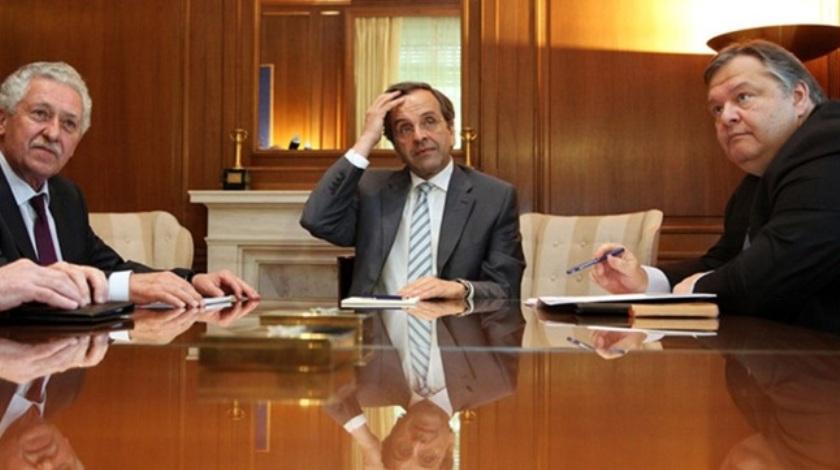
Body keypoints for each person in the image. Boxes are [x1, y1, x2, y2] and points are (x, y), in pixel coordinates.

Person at [590, 40, 840, 328]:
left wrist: (697, 289)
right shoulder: (756, 181)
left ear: (798, 97)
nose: (727, 117)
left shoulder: (829, 142)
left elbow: (778, 269)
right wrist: (645, 280)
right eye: (717, 109)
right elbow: (722, 263)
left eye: (743, 97)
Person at [0, 61, 259, 308]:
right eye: (40, 114)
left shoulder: (66, 197)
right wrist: (125, 287)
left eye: (69, 124)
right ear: (3, 120)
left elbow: (108, 268)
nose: (53, 133)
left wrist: (190, 282)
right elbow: (23, 284)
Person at [301, 82, 525, 300]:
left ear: (451, 131)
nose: (419, 136)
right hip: (378, 322)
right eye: (405, 129)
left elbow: (506, 287)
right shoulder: (371, 190)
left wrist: (460, 289)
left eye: (429, 121)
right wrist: (367, 138)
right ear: (395, 145)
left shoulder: (494, 198)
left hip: (454, 321)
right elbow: (317, 219)